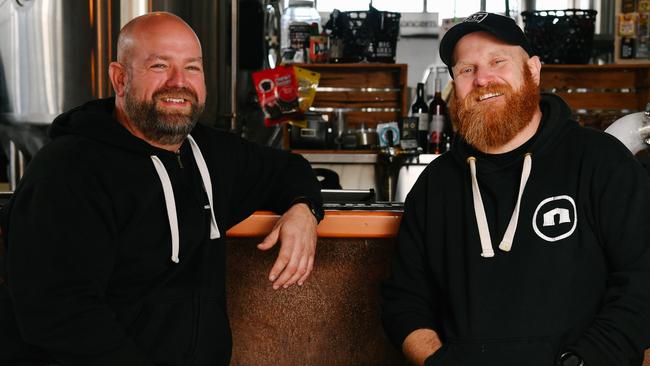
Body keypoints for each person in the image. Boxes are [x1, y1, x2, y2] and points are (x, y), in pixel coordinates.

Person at [0, 12, 323, 365]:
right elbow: (61, 316)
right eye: (159, 66)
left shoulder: (211, 152)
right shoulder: (67, 171)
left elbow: (289, 170)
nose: (178, 82)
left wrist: (303, 209)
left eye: (192, 68)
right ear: (119, 78)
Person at [382, 12, 650, 366]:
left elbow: (641, 282)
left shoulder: (601, 161)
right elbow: (405, 300)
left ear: (533, 70)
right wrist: (438, 361)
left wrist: (582, 361)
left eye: (498, 61)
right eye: (466, 69)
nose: (482, 79)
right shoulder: (435, 185)